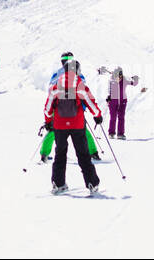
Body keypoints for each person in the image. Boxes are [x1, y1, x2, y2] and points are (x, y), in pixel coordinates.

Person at [43, 60, 102, 195]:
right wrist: (97, 116)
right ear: (77, 70)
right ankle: (91, 183)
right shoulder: (79, 84)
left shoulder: (56, 85)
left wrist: (48, 121)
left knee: (60, 154)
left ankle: (58, 184)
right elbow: (90, 102)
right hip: (77, 124)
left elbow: (48, 107)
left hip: (59, 125)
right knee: (83, 154)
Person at [40, 54, 99, 161]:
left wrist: (50, 111)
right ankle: (93, 152)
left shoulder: (57, 74)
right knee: (82, 129)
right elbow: (84, 89)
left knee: (54, 130)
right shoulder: (77, 73)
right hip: (75, 107)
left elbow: (51, 89)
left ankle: (44, 153)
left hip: (58, 107)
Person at [97, 65, 141, 140]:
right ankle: (111, 133)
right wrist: (108, 97)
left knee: (121, 117)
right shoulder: (111, 80)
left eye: (120, 76)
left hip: (123, 101)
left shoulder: (125, 80)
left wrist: (136, 79)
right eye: (118, 76)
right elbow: (109, 89)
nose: (119, 78)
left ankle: (120, 134)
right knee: (113, 117)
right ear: (115, 74)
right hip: (113, 101)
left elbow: (134, 83)